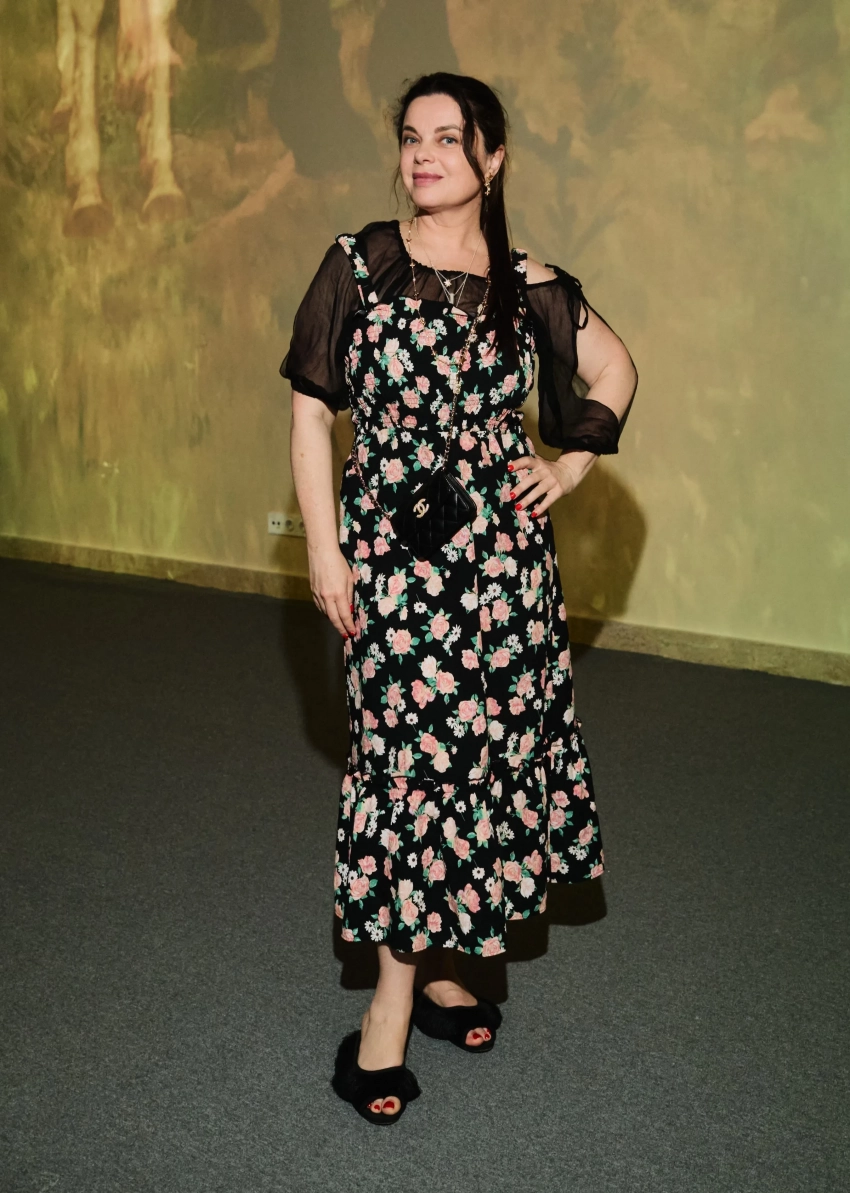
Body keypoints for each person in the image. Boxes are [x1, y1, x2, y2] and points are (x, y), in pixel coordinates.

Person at [281, 71, 638, 1125]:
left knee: (477, 762)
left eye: (448, 137)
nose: (424, 154)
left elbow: (615, 370)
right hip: (393, 561)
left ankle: (440, 971)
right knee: (408, 767)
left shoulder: (528, 283)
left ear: (493, 158)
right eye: (411, 137)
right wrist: (324, 550)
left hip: (501, 569)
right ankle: (388, 1004)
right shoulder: (359, 263)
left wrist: (568, 466)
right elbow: (309, 415)